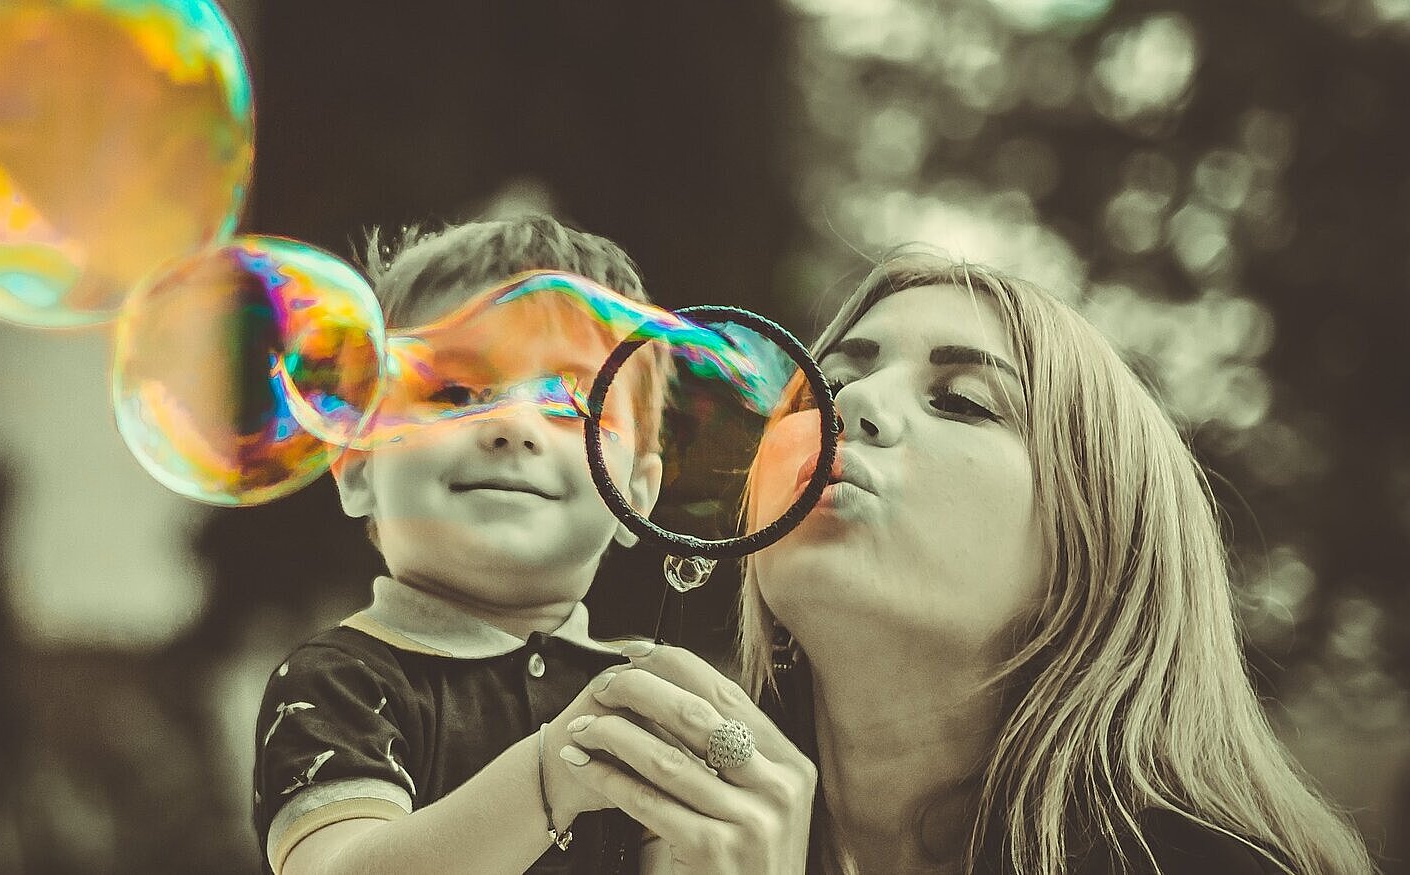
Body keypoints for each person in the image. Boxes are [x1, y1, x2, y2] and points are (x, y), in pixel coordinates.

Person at [551, 251, 1374, 873]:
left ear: (1093, 549)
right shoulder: (606, 820)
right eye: (827, 384)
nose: (857, 406)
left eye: (962, 402)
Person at [252, 213, 672, 874]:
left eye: (567, 400)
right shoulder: (339, 680)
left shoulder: (643, 699)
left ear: (638, 496)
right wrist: (553, 773)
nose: (511, 424)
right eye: (452, 392)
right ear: (360, 468)